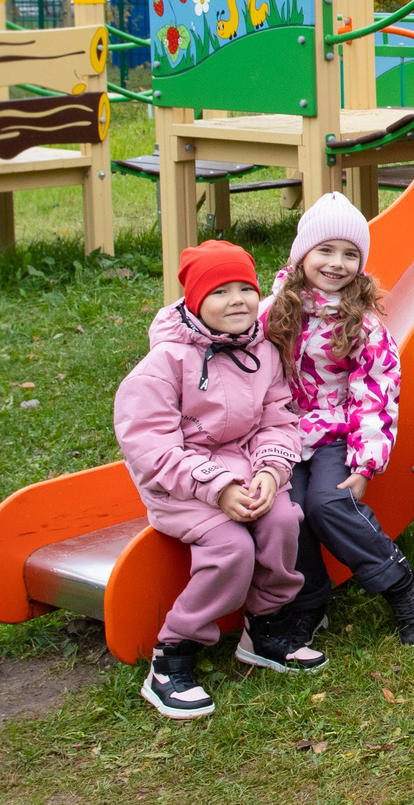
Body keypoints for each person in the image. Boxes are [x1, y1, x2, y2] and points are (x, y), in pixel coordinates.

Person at [114, 241, 312, 720]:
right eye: (220, 291)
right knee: (232, 548)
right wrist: (216, 487)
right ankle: (174, 654)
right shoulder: (166, 362)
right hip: (180, 484)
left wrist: (270, 469)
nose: (238, 300)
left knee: (283, 519)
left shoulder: (262, 351)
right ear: (194, 301)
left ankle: (264, 628)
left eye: (246, 288)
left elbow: (279, 418)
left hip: (245, 468)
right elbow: (149, 445)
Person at [261, 194, 414, 658]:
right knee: (286, 509)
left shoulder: (364, 324)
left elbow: (376, 393)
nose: (337, 264)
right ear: (302, 255)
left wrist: (365, 460)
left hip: (340, 431)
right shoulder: (272, 310)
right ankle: (308, 602)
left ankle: (398, 581)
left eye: (350, 254)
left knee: (329, 502)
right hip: (283, 432)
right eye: (326, 250)